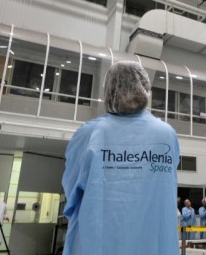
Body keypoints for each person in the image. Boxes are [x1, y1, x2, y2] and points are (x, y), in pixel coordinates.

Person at [62, 61, 180, 255]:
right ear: (144, 88)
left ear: (109, 89)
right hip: (155, 246)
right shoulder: (166, 134)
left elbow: (72, 190)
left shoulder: (89, 134)